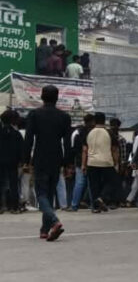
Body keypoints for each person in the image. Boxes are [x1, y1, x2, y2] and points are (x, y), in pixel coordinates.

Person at [24, 85, 71, 241]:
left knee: (41, 193)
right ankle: (44, 229)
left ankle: (54, 221)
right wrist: (67, 163)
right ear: (57, 98)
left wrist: (25, 160)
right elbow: (67, 142)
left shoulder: (34, 115)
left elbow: (29, 139)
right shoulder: (64, 117)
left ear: (42, 97)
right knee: (49, 194)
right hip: (56, 158)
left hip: (40, 157)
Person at [83, 112, 116, 213]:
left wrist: (83, 164)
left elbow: (85, 149)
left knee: (94, 185)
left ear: (94, 121)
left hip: (92, 162)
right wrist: (116, 162)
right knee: (113, 181)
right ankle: (102, 198)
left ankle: (96, 207)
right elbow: (114, 149)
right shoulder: (109, 132)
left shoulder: (89, 132)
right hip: (106, 161)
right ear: (104, 120)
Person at [67, 114, 95, 211]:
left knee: (79, 183)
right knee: (92, 184)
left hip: (79, 161)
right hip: (92, 160)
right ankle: (93, 205)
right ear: (92, 121)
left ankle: (74, 205)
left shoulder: (77, 132)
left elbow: (73, 149)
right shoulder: (94, 132)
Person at [0, 110, 24, 213]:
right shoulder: (17, 134)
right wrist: (21, 161)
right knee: (14, 184)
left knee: (1, 183)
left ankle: (1, 207)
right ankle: (14, 207)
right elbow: (21, 149)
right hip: (13, 162)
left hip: (0, 161)